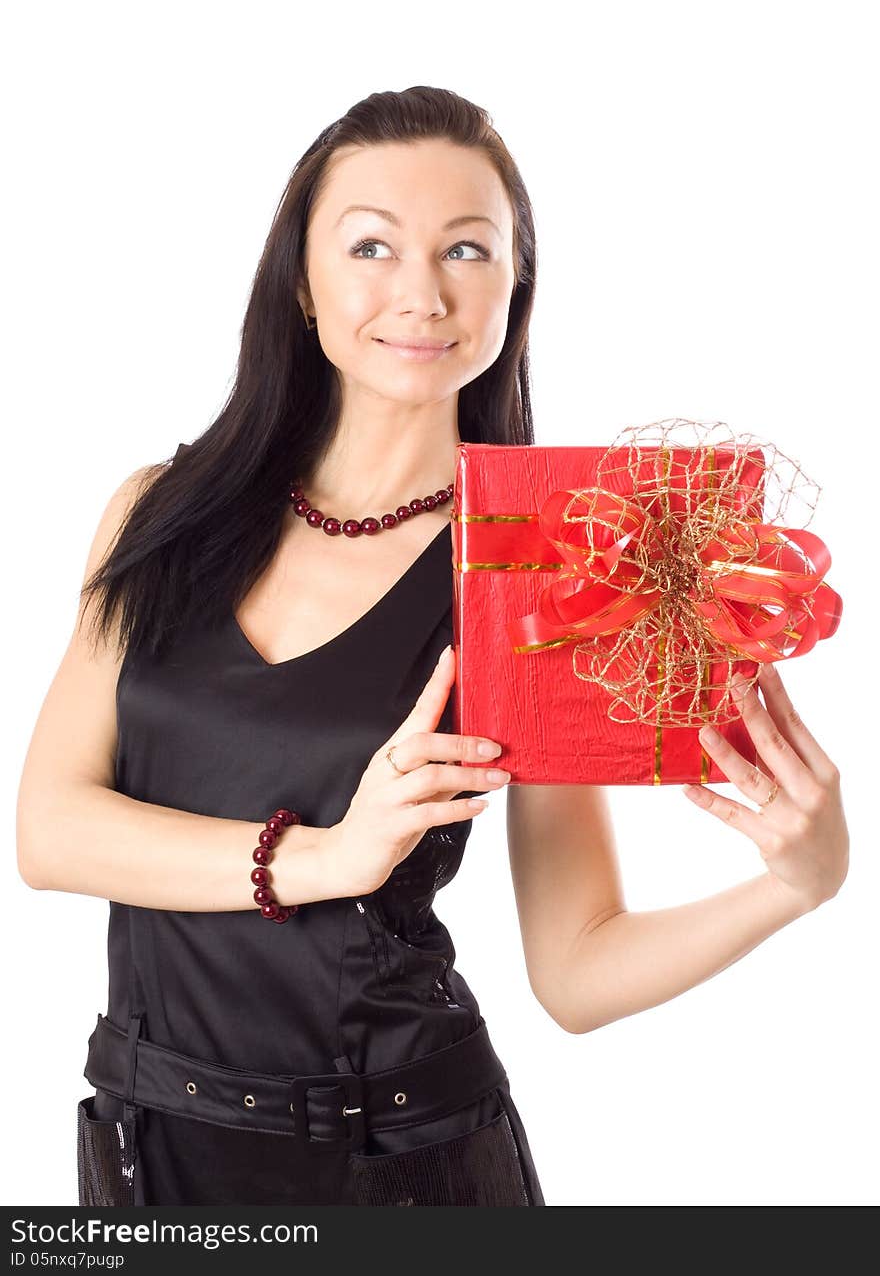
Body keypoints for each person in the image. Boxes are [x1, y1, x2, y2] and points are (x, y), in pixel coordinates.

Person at [16, 86, 849, 1208]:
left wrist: (798, 883)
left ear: (514, 287)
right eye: (370, 244)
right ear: (301, 284)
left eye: (467, 247)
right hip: (148, 1151)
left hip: (403, 1166)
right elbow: (50, 830)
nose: (420, 291)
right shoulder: (158, 515)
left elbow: (576, 968)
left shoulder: (545, 570)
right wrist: (322, 858)